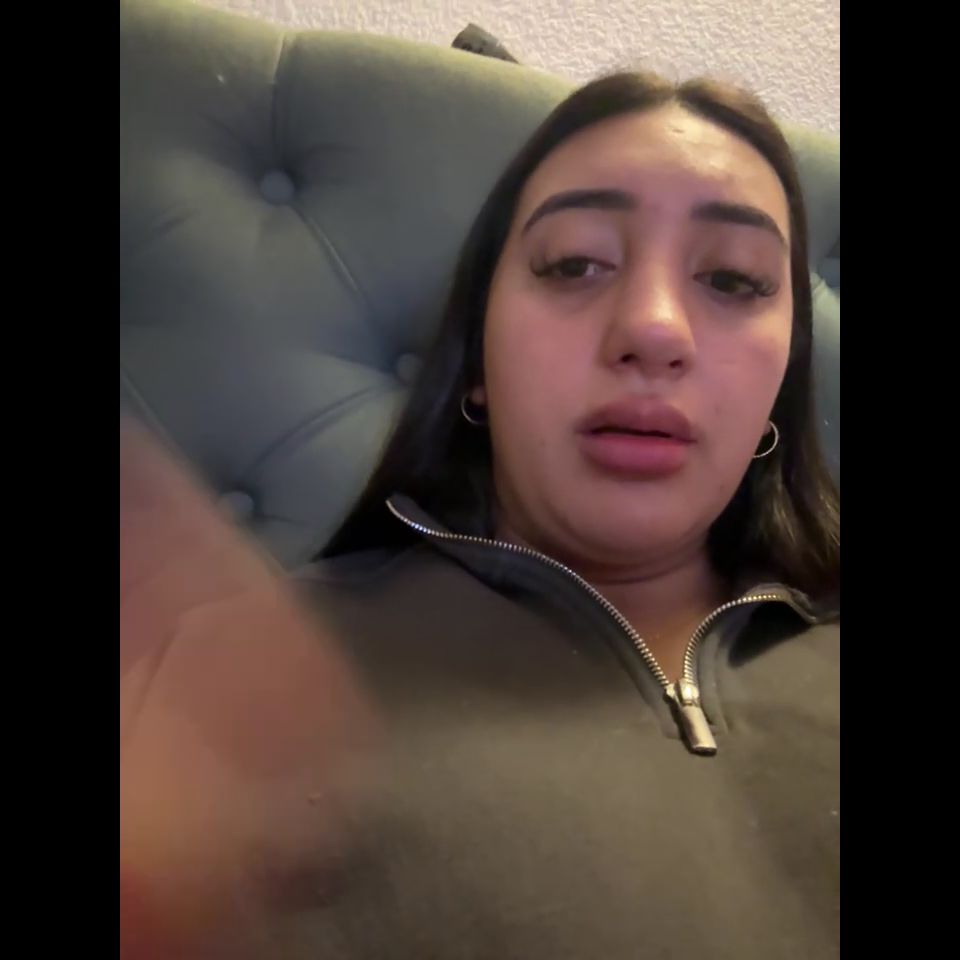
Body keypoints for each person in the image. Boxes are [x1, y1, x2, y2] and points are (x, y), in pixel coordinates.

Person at [120, 69, 839, 959]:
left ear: (784, 379)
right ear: (477, 367)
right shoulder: (227, 668)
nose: (654, 328)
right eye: (574, 264)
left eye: (732, 279)